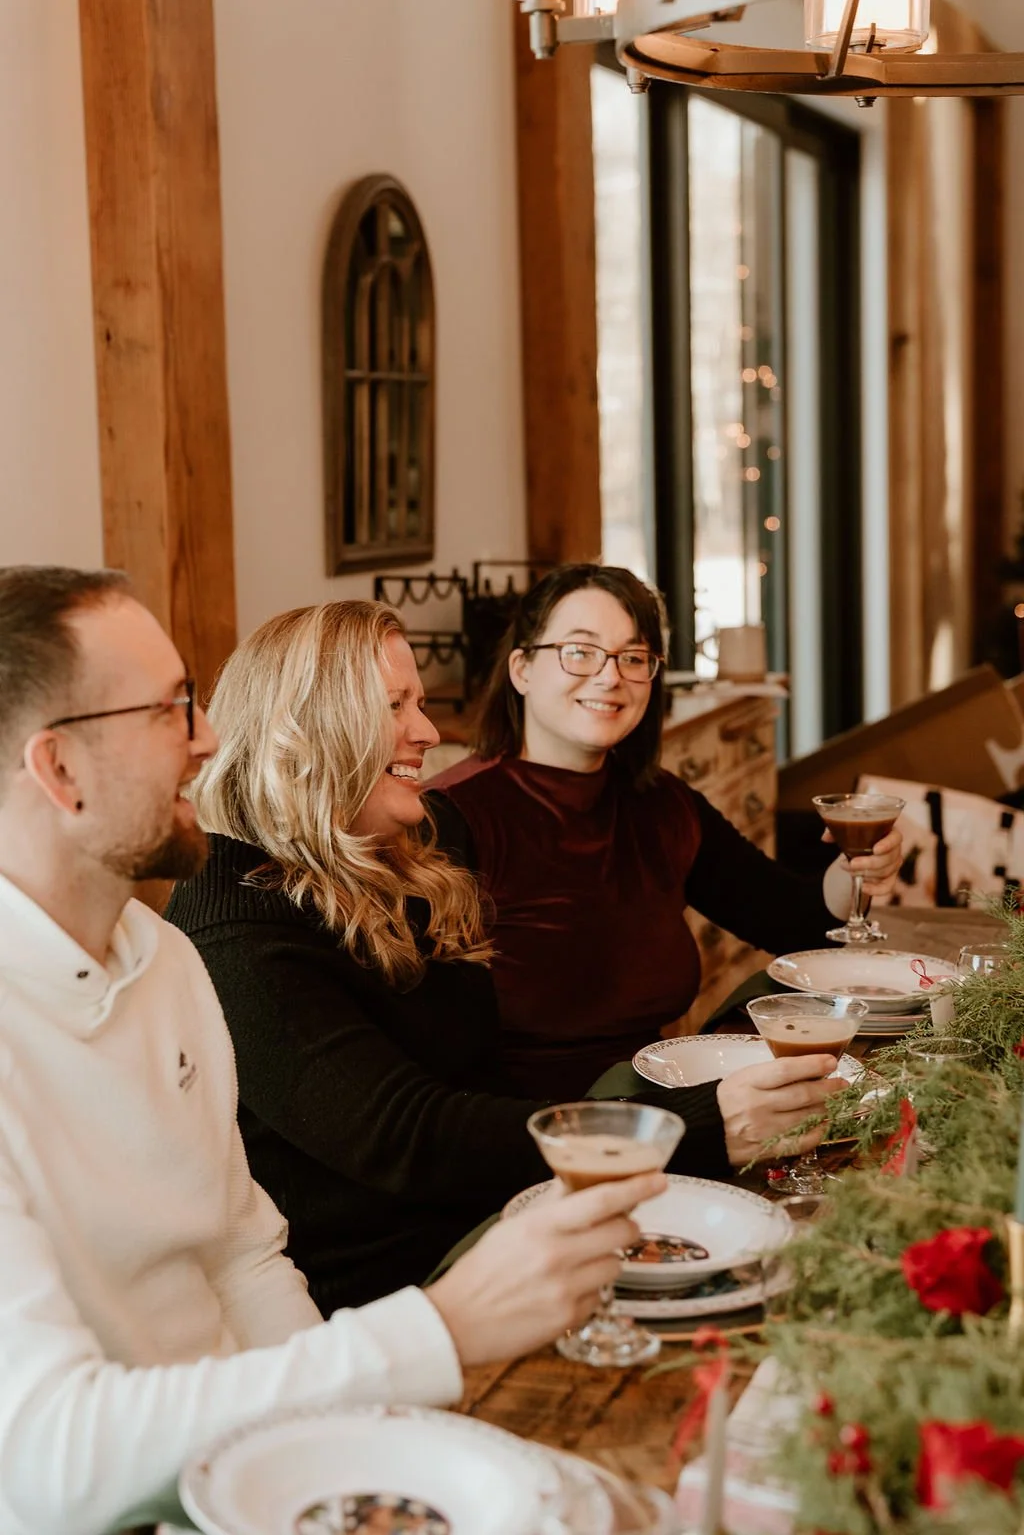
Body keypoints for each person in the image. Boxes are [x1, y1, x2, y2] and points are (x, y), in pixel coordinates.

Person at [0, 567, 662, 1535]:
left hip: (269, 1465)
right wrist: (437, 1331)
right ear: (60, 770)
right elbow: (49, 1462)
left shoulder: (167, 961)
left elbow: (245, 1258)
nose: (211, 737)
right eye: (172, 709)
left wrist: (373, 1440)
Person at [167, 599, 781, 1316]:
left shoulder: (400, 846)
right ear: (305, 728)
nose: (427, 732)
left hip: (504, 1219)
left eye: (419, 703)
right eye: (395, 705)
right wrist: (682, 1131)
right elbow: (410, 1137)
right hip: (397, 1297)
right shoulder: (234, 926)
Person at [428, 563, 903, 1101]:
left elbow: (795, 923)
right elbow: (424, 1044)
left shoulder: (662, 803)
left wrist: (854, 871)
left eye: (633, 658)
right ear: (522, 669)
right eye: (580, 651)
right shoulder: (452, 815)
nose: (610, 677)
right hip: (516, 1129)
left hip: (661, 1100)